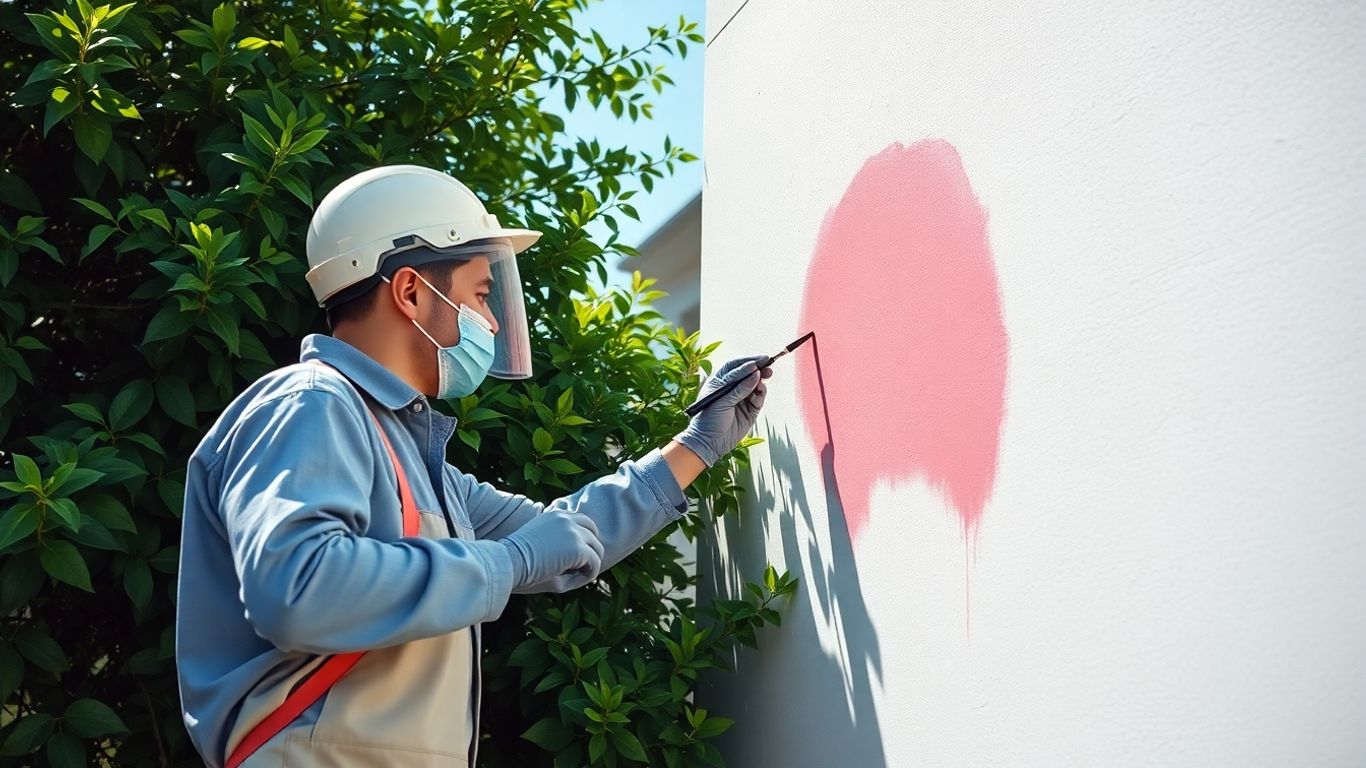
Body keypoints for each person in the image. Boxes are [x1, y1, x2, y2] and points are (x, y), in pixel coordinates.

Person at [174, 164, 771, 767]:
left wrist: (696, 446)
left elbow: (564, 535)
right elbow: (298, 589)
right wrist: (509, 562)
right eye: (481, 295)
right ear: (409, 292)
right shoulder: (312, 404)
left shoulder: (402, 449)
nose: (490, 321)